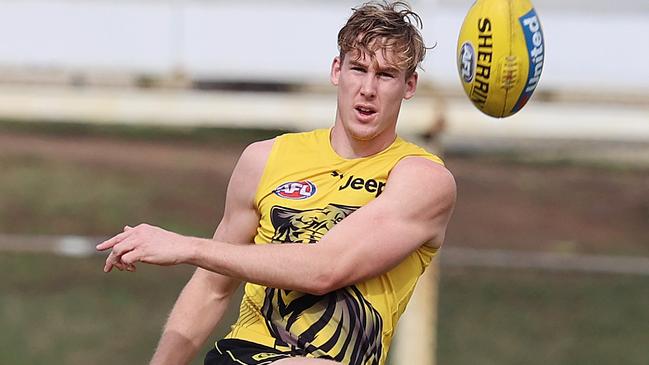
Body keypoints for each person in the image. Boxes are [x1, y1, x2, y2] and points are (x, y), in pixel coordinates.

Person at [96, 2, 456, 364]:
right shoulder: (266, 159)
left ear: (409, 85)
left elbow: (325, 268)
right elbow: (210, 289)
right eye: (358, 69)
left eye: (386, 75)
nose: (367, 88)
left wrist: (187, 247)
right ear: (337, 71)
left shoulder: (422, 180)